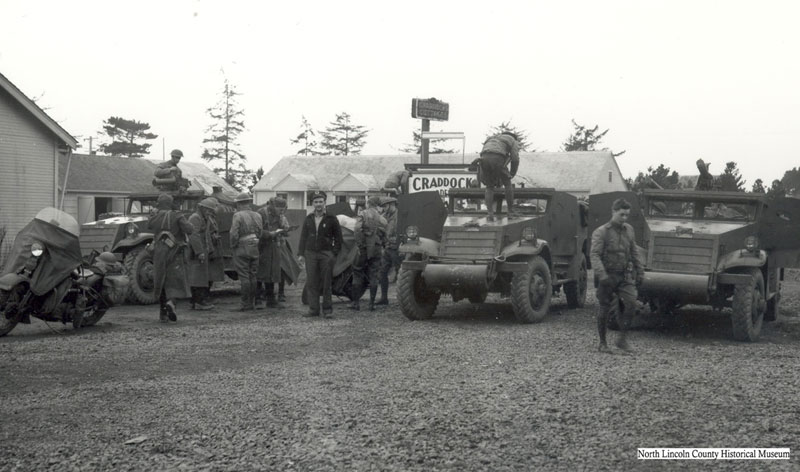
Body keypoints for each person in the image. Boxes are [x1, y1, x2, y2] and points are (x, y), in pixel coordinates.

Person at [590, 198, 644, 353]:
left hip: (624, 276)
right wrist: (602, 276)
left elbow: (634, 252)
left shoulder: (629, 230)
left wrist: (640, 271)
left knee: (632, 303)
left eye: (627, 215)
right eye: (622, 215)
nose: (624, 218)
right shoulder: (601, 232)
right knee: (604, 309)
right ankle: (603, 343)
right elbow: (594, 255)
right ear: (613, 212)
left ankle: (622, 340)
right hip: (607, 275)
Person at [147, 193, 194, 323]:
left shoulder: (154, 217)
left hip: (158, 252)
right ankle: (171, 303)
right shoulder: (177, 215)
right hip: (175, 252)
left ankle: (163, 314)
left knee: (161, 280)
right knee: (176, 280)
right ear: (170, 203)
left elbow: (149, 226)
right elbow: (189, 229)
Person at [298, 191, 343, 318]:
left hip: (326, 254)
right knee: (312, 282)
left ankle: (327, 310)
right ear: (312, 203)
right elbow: (303, 237)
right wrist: (301, 253)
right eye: (316, 202)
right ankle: (313, 310)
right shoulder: (309, 218)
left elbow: (338, 238)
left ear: (325, 203)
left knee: (326, 282)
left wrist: (333, 253)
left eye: (321, 202)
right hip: (310, 254)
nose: (318, 204)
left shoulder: (331, 218)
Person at [349, 196, 387, 311]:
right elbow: (385, 233)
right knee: (373, 275)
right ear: (377, 205)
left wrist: (360, 244)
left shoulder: (363, 214)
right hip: (376, 248)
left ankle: (356, 303)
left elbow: (356, 229)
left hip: (364, 248)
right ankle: (371, 304)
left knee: (357, 272)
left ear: (368, 204)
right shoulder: (382, 218)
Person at [230, 192, 263, 311]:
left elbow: (234, 233)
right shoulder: (258, 215)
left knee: (244, 276)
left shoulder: (238, 215)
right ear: (249, 202)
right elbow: (260, 232)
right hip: (254, 246)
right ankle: (252, 302)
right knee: (253, 276)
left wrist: (233, 245)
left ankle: (245, 304)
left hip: (242, 246)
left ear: (238, 204)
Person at [187, 197, 221, 310]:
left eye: (210, 210)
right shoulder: (195, 218)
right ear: (202, 208)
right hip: (196, 252)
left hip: (203, 249)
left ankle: (199, 301)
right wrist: (199, 252)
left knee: (201, 276)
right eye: (208, 210)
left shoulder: (204, 218)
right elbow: (193, 235)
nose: (209, 212)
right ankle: (198, 302)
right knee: (197, 277)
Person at [479, 131, 520, 220]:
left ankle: (490, 214)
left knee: (489, 187)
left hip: (484, 157)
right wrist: (512, 173)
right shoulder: (512, 140)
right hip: (498, 157)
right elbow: (515, 158)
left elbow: (484, 152)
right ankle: (510, 212)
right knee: (507, 184)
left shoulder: (491, 137)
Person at [257, 197, 289, 308]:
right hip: (262, 246)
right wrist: (270, 234)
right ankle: (257, 300)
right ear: (273, 206)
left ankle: (271, 300)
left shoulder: (278, 215)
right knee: (261, 272)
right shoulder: (261, 213)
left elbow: (280, 227)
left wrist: (285, 231)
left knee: (272, 272)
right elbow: (257, 231)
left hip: (274, 245)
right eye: (280, 209)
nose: (282, 212)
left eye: (283, 210)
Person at [377, 196, 402, 306]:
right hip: (387, 248)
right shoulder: (384, 216)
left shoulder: (400, 216)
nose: (384, 209)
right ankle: (384, 298)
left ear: (392, 205)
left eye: (385, 206)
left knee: (400, 273)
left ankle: (402, 300)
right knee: (382, 273)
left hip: (398, 249)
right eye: (383, 207)